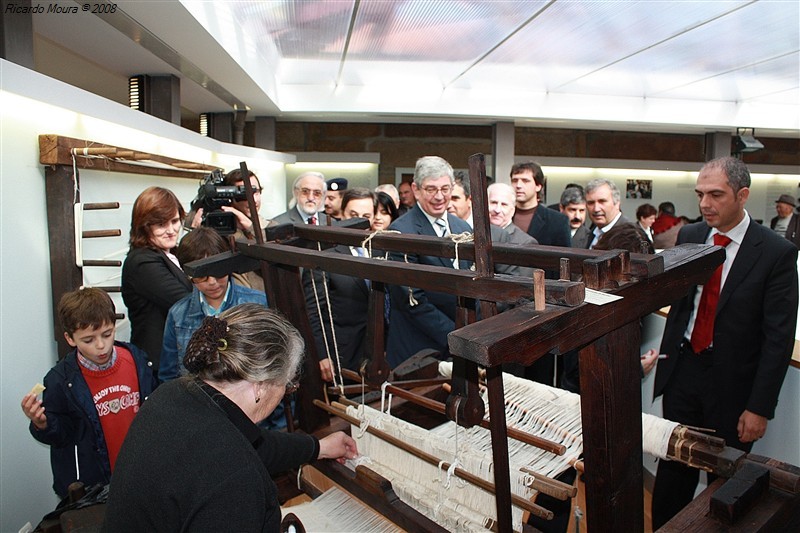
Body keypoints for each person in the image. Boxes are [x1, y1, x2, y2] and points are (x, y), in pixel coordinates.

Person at [101, 304, 357, 532]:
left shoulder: (173, 395)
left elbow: (252, 445)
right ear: (260, 386)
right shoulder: (236, 482)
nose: (284, 393)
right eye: (287, 386)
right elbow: (234, 462)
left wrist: (318, 447)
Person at [651, 157, 799, 529]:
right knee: (672, 473)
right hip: (684, 371)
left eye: (716, 195)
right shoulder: (690, 235)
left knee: (726, 485)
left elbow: (778, 337)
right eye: (700, 194)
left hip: (734, 386)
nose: (705, 204)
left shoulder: (775, 253)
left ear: (743, 195)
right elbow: (682, 302)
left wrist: (760, 407)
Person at [21, 288, 156, 499]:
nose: (101, 346)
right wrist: (43, 424)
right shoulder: (59, 380)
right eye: (88, 340)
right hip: (93, 484)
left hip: (140, 472)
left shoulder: (137, 359)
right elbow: (62, 436)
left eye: (107, 334)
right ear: (70, 338)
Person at [386, 156, 472, 368]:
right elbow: (412, 301)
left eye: (445, 188)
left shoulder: (463, 228)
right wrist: (456, 337)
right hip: (418, 349)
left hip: (460, 345)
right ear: (416, 190)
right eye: (431, 189)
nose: (439, 196)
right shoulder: (400, 232)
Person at [159, 227, 268, 382]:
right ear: (188, 274)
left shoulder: (258, 305)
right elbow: (168, 377)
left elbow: (274, 369)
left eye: (218, 271)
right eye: (202, 276)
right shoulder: (178, 315)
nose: (212, 282)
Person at [305, 188, 381, 381]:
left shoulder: (380, 250)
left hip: (376, 353)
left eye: (366, 216)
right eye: (353, 215)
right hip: (339, 354)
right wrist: (321, 354)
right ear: (341, 215)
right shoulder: (325, 252)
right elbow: (314, 310)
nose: (359, 222)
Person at [121, 186, 192, 371]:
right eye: (161, 224)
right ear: (144, 227)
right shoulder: (141, 262)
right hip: (159, 368)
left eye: (175, 221)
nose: (171, 230)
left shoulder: (170, 254)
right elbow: (186, 301)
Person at [510, 161, 571, 249]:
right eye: (514, 180)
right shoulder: (501, 215)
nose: (518, 185)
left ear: (538, 186)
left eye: (525, 181)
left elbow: (564, 257)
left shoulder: (558, 221)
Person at [585, 178, 629, 248]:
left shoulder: (629, 236)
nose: (596, 209)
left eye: (602, 201)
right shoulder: (592, 233)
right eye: (591, 203)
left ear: (617, 203)